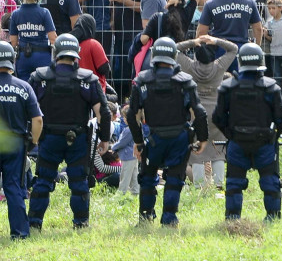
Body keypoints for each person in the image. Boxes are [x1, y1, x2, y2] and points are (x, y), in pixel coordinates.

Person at [27, 34, 111, 229]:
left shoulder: (39, 78)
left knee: (43, 182)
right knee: (79, 182)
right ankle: (81, 224)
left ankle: (34, 224)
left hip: (48, 139)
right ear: (76, 55)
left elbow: (28, 111)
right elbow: (103, 112)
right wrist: (105, 139)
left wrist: (32, 138)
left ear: (55, 53)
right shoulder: (88, 79)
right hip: (78, 139)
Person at [127, 37, 207, 226]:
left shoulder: (142, 81)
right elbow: (200, 112)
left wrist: (138, 142)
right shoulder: (185, 81)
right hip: (180, 138)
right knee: (175, 177)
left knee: (147, 177)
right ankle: (169, 219)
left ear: (153, 55)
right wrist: (202, 138)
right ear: (174, 56)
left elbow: (132, 115)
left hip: (154, 138)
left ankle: (145, 218)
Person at [213, 43, 282, 221]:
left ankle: (232, 218)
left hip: (237, 143)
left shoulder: (227, 87)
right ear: (260, 62)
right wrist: (273, 137)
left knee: (234, 184)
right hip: (264, 143)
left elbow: (218, 118)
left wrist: (230, 135)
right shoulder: (271, 87)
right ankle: (272, 217)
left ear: (240, 62)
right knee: (270, 183)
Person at [176, 35, 237, 189]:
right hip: (216, 112)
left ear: (196, 55)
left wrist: (192, 42)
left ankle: (198, 185)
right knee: (218, 150)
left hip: (196, 112)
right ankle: (219, 185)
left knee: (197, 150)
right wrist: (215, 40)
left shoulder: (189, 67)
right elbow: (234, 48)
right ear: (213, 55)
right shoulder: (218, 67)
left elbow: (173, 48)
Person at [0, 41, 42, 239]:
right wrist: (33, 142)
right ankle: (20, 233)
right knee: (14, 187)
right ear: (12, 60)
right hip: (15, 144)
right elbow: (37, 120)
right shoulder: (24, 87)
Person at [197, 0, 263, 72]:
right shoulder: (249, 1)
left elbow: (201, 32)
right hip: (242, 51)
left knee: (219, 84)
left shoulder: (211, 3)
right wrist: (257, 48)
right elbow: (258, 28)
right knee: (240, 84)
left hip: (219, 50)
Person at [10, 0, 57, 82]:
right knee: (42, 86)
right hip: (42, 55)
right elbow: (53, 38)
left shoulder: (15, 14)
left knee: (24, 85)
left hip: (23, 56)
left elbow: (13, 41)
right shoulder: (44, 12)